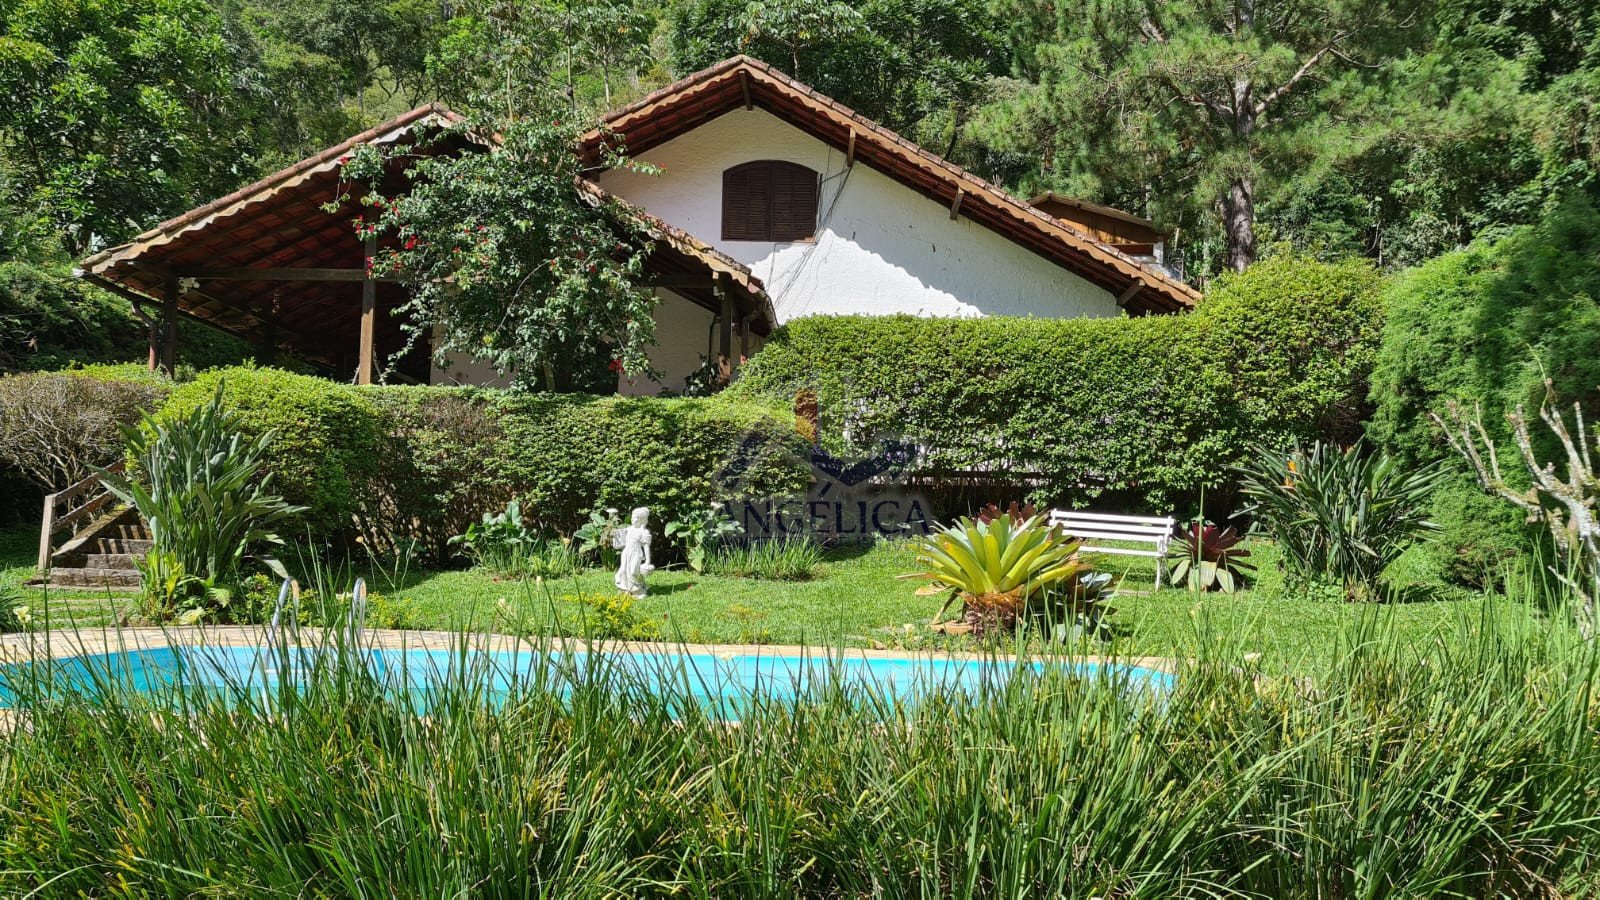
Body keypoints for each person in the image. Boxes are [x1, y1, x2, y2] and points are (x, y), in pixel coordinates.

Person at [612, 506, 654, 598]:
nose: (632, 519)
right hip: (626, 553)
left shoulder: (643, 532)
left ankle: (639, 589)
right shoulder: (628, 529)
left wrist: (647, 561)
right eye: (632, 517)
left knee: (633, 571)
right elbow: (620, 538)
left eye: (634, 518)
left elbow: (646, 547)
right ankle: (625, 589)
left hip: (636, 554)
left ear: (641, 520)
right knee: (623, 570)